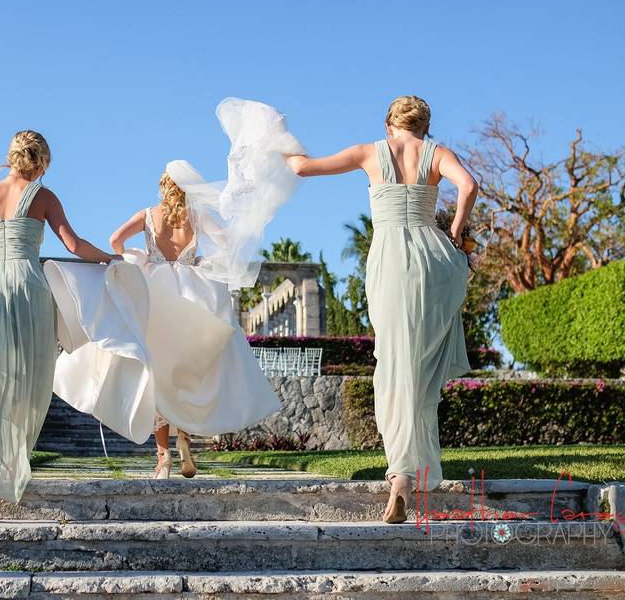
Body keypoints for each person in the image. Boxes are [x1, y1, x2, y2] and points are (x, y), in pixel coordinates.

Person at [43, 98, 302, 477]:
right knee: (186, 372)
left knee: (156, 372)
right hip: (194, 291)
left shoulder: (148, 214)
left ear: (164, 185)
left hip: (155, 292)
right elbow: (228, 243)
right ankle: (185, 444)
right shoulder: (199, 217)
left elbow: (114, 241)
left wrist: (137, 257)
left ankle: (162, 454)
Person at [285, 95, 478, 523]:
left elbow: (302, 167)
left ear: (390, 124)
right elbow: (468, 186)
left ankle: (402, 478)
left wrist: (274, 143)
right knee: (420, 369)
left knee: (393, 365)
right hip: (434, 260)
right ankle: (417, 469)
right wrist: (455, 231)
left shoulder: (371, 152)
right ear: (424, 126)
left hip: (391, 260)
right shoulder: (437, 154)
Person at [0, 130, 115, 522]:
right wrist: (107, 259)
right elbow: (72, 244)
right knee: (25, 381)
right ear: (40, 163)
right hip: (27, 290)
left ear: (11, 157)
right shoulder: (43, 196)